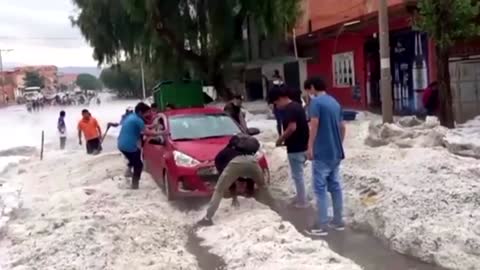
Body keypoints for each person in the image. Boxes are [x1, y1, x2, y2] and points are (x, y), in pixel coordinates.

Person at [197, 134, 276, 226]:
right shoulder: (250, 148)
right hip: (252, 162)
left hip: (235, 164)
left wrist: (233, 193)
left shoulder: (223, 154)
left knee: (219, 190)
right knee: (263, 186)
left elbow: (223, 173)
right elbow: (252, 177)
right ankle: (275, 207)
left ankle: (208, 218)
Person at [304, 76, 346, 236]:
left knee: (320, 189)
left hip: (322, 152)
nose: (308, 93)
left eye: (308, 90)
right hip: (336, 152)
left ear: (313, 87)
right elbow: (343, 126)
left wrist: (310, 146)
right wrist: (338, 143)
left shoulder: (316, 103)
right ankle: (338, 221)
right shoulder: (335, 102)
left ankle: (321, 225)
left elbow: (314, 124)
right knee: (335, 186)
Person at [268, 86, 310, 209]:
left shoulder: (290, 109)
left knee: (298, 176)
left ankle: (302, 202)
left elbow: (292, 127)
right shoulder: (297, 106)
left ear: (280, 98)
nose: (276, 106)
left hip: (296, 147)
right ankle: (300, 197)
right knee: (299, 175)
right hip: (303, 144)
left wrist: (280, 139)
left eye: (276, 103)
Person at [117, 102, 161, 189]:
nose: (148, 114)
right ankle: (135, 185)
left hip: (121, 144)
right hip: (129, 146)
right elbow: (146, 132)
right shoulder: (138, 120)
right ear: (141, 112)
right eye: (147, 112)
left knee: (135, 158)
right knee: (139, 165)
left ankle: (129, 171)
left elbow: (143, 126)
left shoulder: (132, 117)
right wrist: (162, 133)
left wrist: (152, 125)